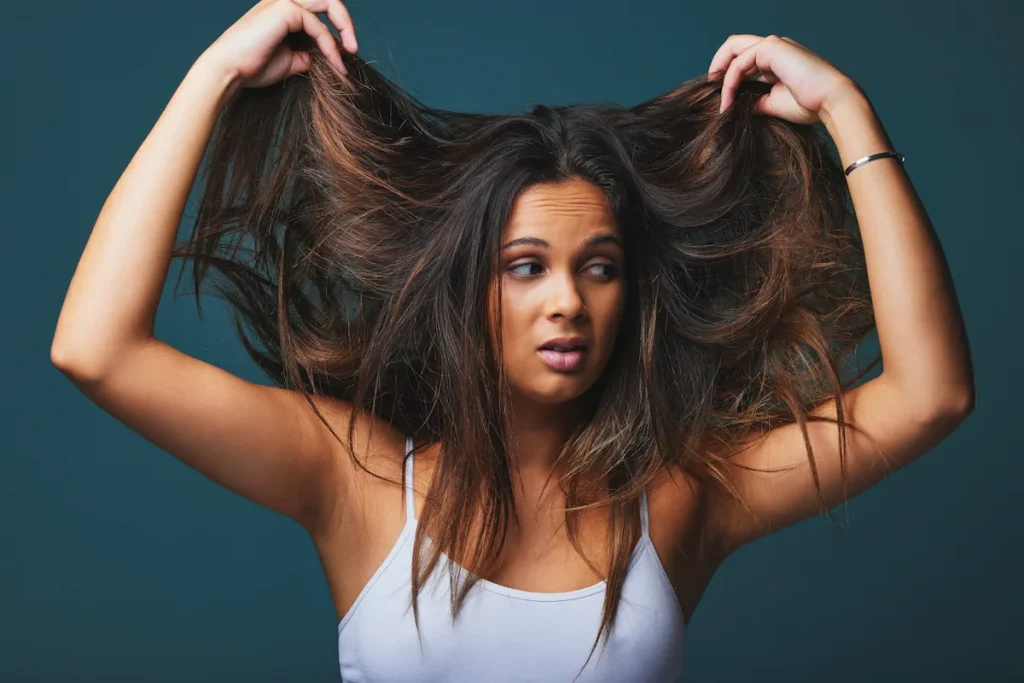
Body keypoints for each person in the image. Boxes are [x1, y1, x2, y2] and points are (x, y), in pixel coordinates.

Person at [50, 1, 975, 681]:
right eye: (525, 266)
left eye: (600, 266)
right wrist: (212, 75)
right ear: (467, 292)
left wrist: (851, 114)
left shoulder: (685, 501)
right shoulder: (357, 481)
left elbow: (931, 395)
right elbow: (97, 350)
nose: (567, 300)